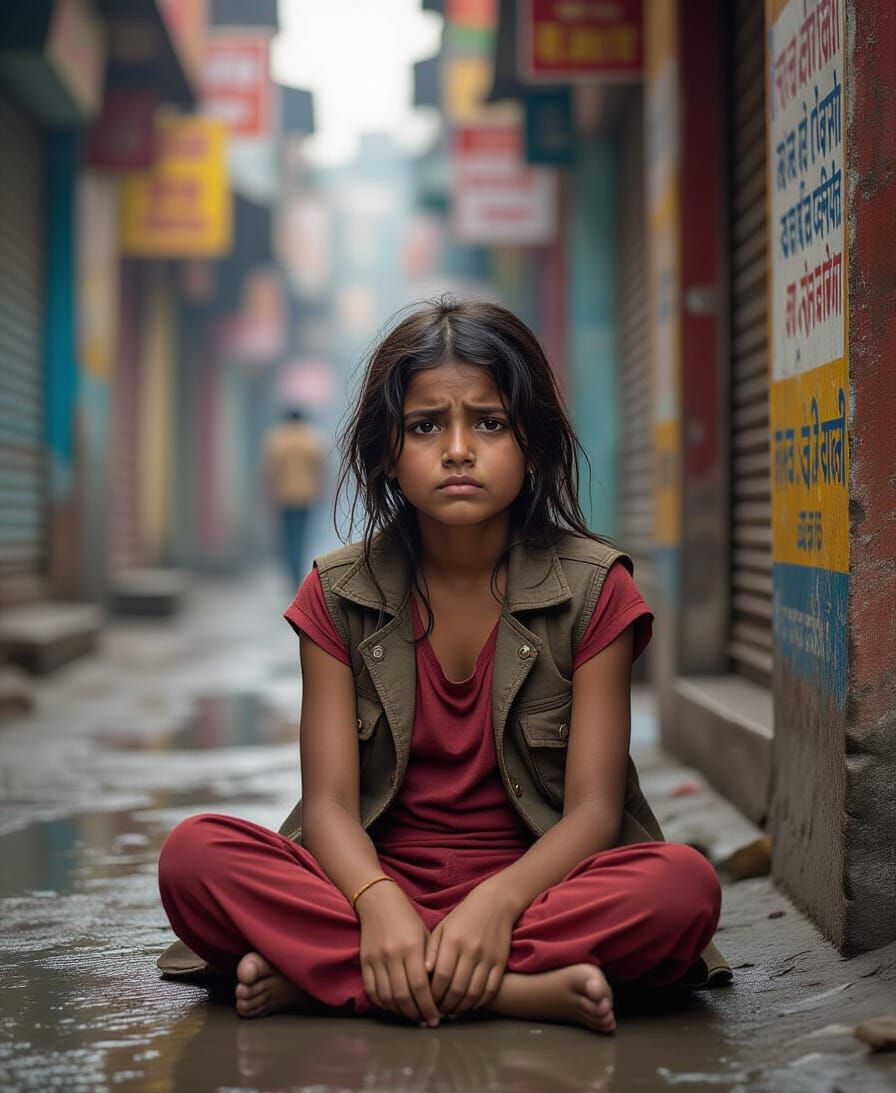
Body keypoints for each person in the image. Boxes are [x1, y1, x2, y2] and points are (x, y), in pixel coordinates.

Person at [158, 299, 728, 1033]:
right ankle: (513, 989)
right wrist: (378, 901)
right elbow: (329, 806)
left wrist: (496, 903)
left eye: (488, 422)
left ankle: (339, 978)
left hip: (540, 890)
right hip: (366, 892)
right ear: (387, 451)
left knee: (681, 886)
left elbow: (593, 811)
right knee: (194, 855)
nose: (458, 449)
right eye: (427, 426)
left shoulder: (596, 589)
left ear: (532, 443)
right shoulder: (336, 592)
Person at [263, 407, 325, 588]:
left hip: (283, 496)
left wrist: (268, 495)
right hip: (306, 495)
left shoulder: (277, 441)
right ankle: (296, 571)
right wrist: (321, 491)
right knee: (301, 535)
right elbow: (320, 470)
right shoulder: (312, 440)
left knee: (286, 536)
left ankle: (291, 571)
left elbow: (269, 472)